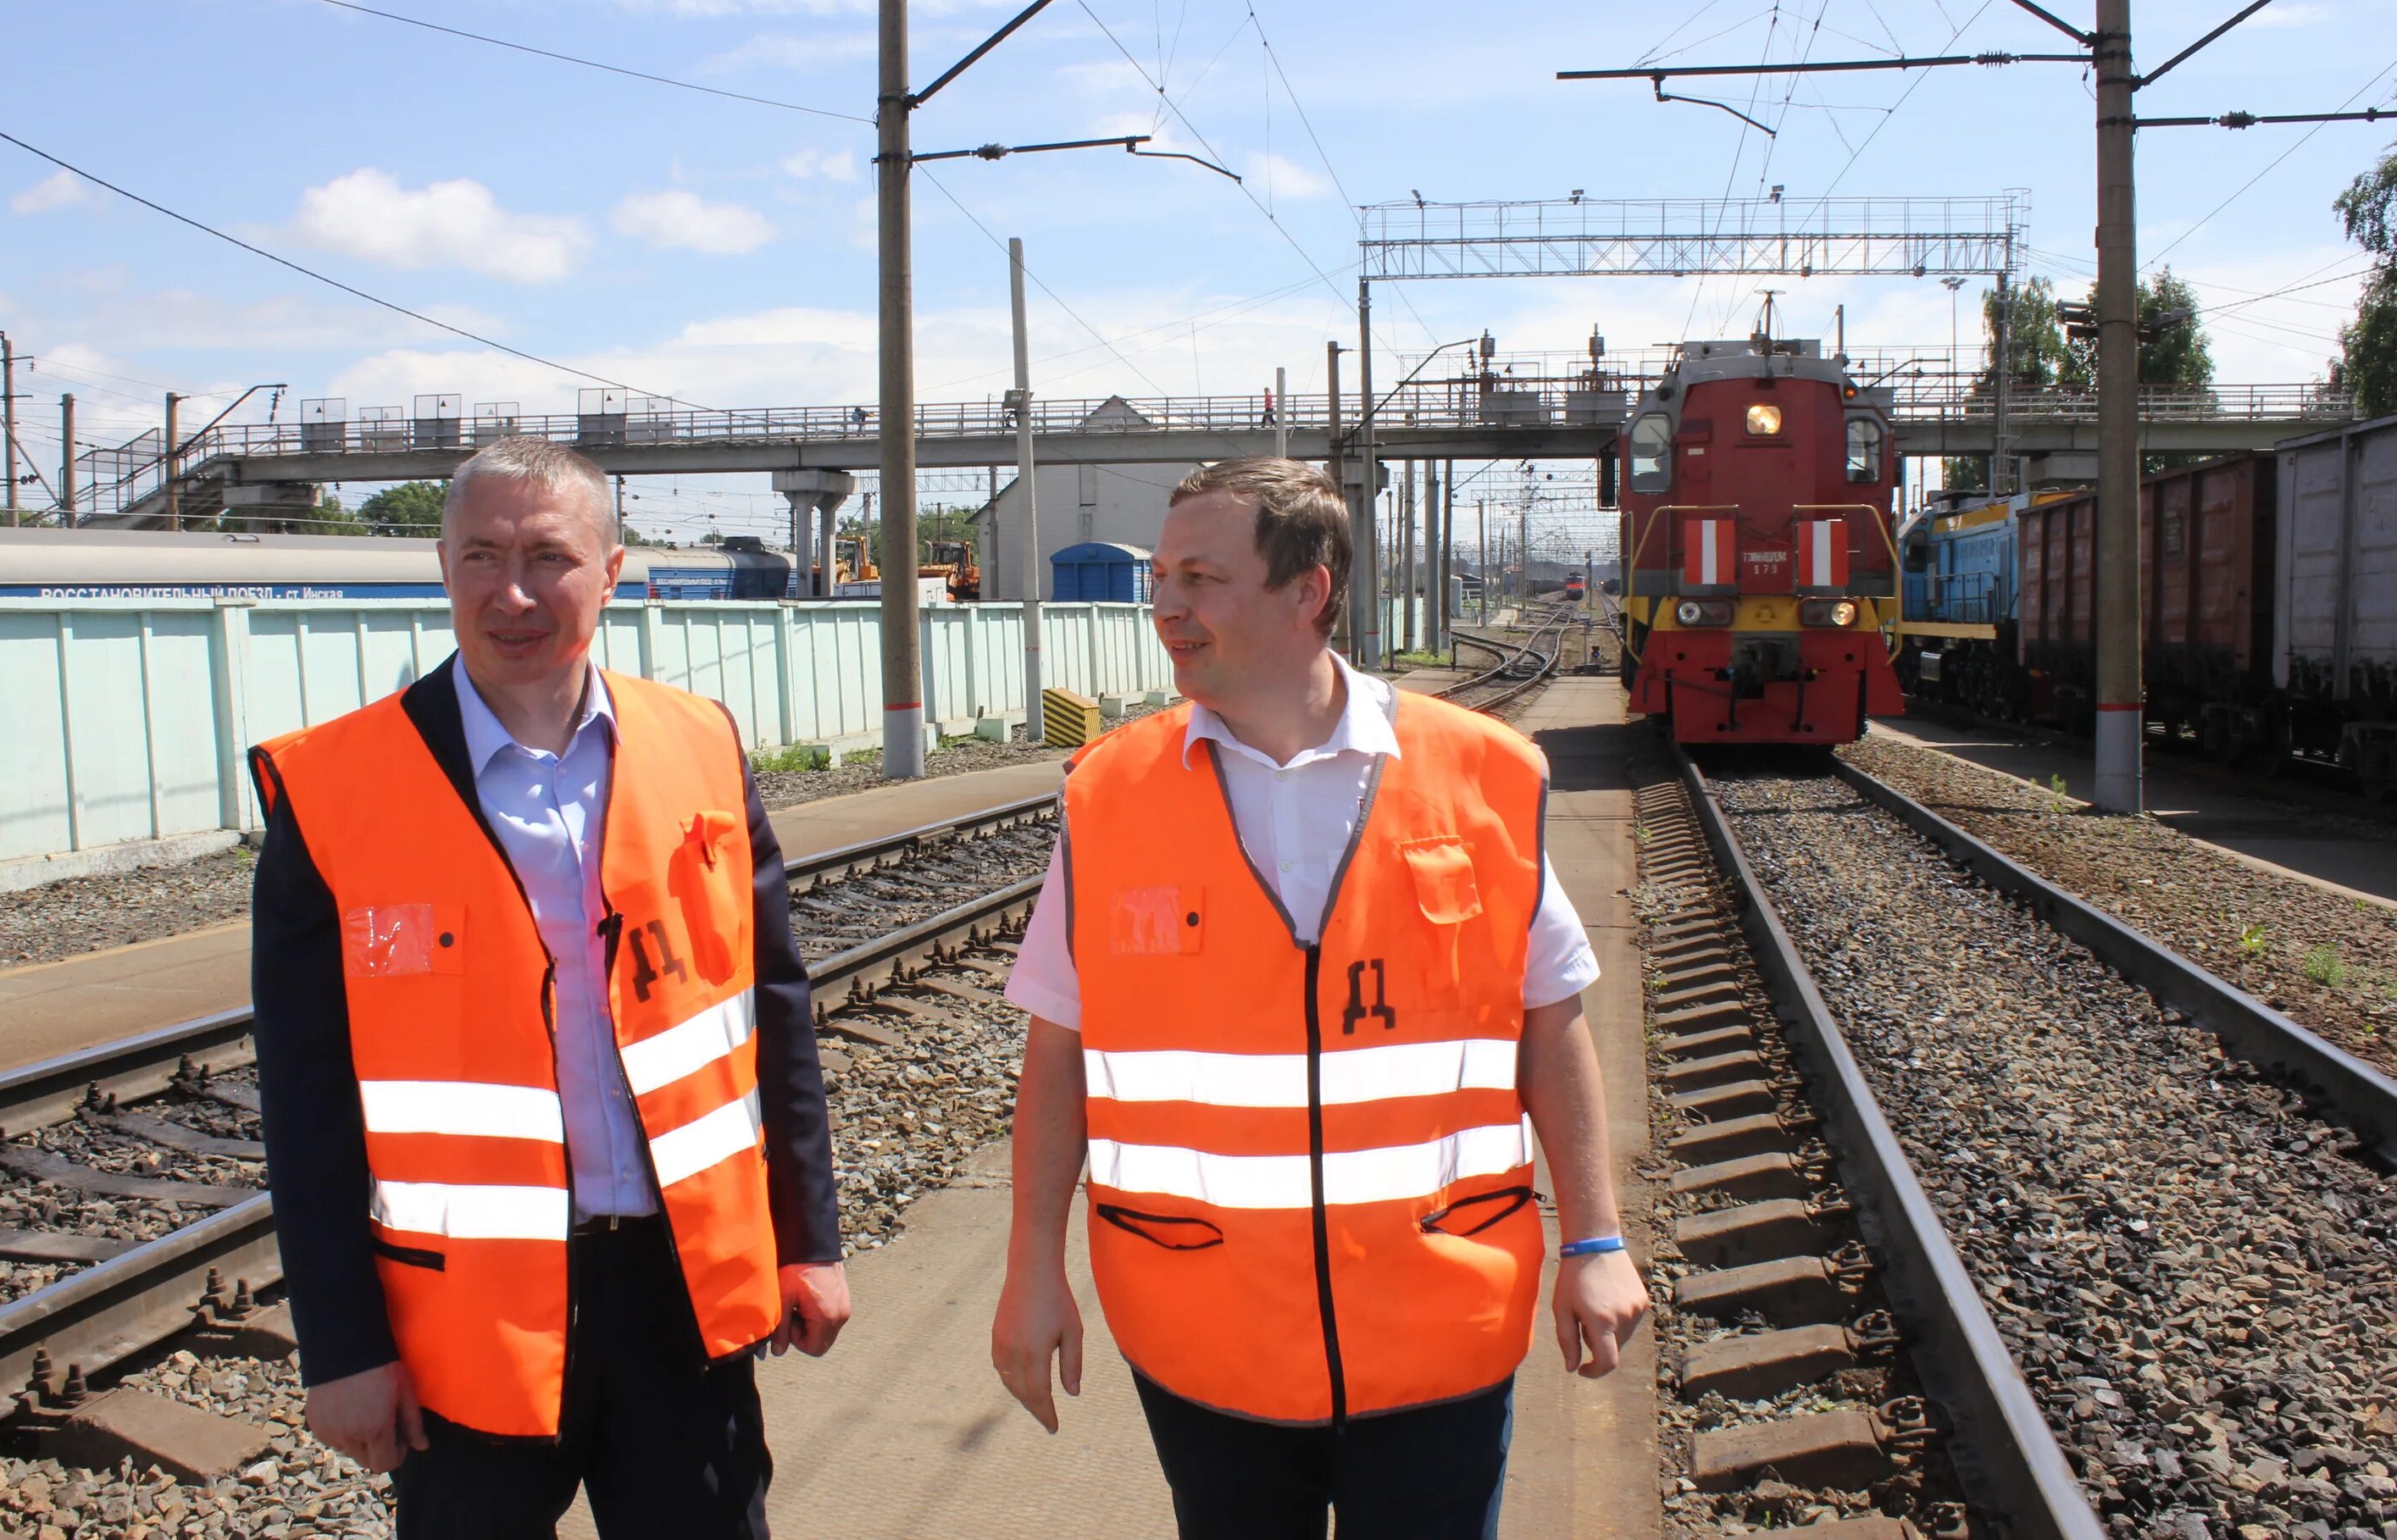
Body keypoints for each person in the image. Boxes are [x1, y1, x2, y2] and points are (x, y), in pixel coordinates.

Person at [990, 457, 1646, 1540]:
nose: (1166, 605)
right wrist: (1031, 1271)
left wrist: (1594, 1237)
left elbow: (1552, 1014)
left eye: (1200, 577)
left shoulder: (1483, 773)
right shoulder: (1108, 794)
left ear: (1310, 591)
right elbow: (1057, 1048)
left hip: (1441, 1320)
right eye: (1161, 575)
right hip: (1205, 1336)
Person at [251, 438, 848, 1539]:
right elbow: (304, 1100)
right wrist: (342, 1349)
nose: (512, 592)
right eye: (480, 556)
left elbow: (776, 1012)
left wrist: (808, 1240)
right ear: (441, 568)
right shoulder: (335, 792)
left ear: (612, 571)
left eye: (548, 557)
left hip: (683, 1290)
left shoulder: (699, 745)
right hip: (462, 1320)